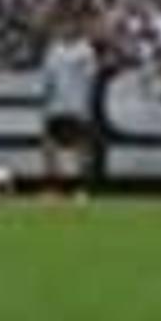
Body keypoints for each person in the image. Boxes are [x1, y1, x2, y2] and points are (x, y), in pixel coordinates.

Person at [36, 18, 104, 198]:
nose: (66, 29)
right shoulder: (53, 50)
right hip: (55, 106)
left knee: (80, 148)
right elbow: (46, 79)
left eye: (70, 25)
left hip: (77, 106)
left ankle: (81, 188)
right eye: (62, 26)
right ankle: (53, 187)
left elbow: (91, 77)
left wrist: (85, 102)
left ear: (77, 28)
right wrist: (45, 101)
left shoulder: (85, 51)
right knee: (48, 146)